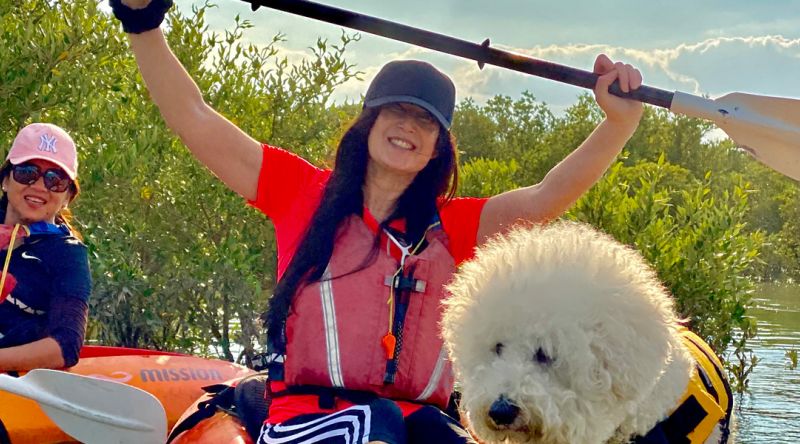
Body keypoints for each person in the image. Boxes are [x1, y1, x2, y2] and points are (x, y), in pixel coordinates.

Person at [110, 1, 644, 442]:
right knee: (375, 425)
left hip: (419, 423)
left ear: (438, 148)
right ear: (368, 123)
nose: (407, 127)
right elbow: (194, 118)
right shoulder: (301, 193)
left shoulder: (453, 227)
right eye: (396, 113)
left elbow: (548, 196)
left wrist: (617, 125)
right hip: (306, 421)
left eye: (423, 122)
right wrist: (142, 21)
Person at [0, 123, 92, 372]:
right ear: (6, 180)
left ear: (67, 197)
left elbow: (66, 346)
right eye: (27, 172)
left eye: (55, 179)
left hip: (15, 389)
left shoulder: (68, 254)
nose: (40, 186)